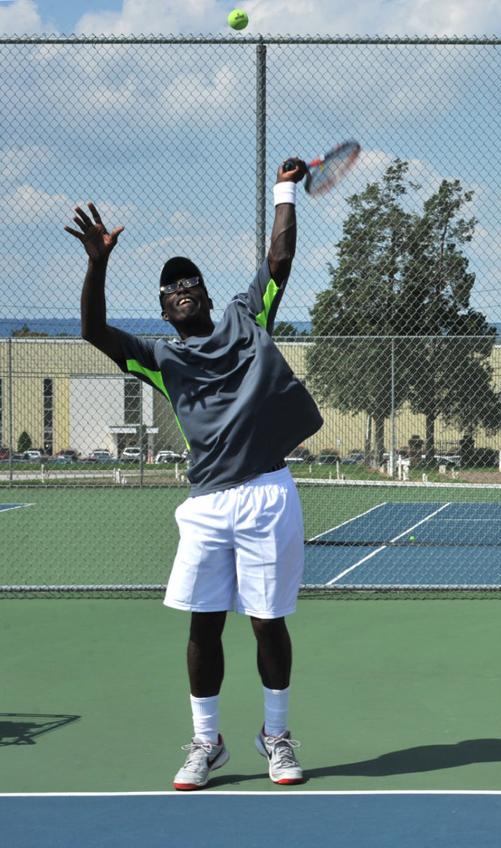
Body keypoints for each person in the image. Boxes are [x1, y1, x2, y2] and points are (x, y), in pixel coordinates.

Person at [67, 162, 323, 790]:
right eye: (168, 288)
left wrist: (285, 190)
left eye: (188, 282)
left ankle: (277, 736)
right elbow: (93, 331)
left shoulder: (246, 317)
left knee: (268, 622)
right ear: (162, 308)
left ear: (206, 294)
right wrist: (98, 262)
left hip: (267, 492)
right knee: (202, 624)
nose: (179, 289)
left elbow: (280, 260)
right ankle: (207, 743)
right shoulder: (162, 360)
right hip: (206, 505)